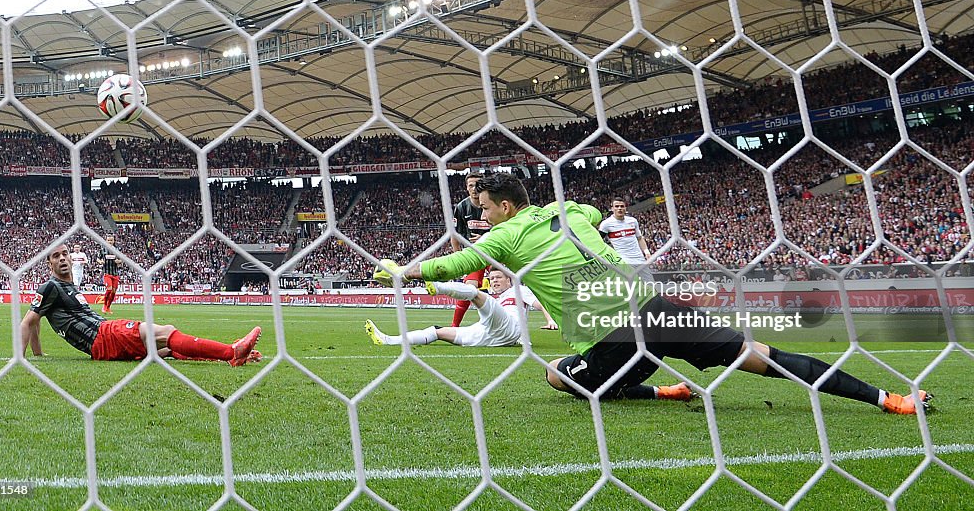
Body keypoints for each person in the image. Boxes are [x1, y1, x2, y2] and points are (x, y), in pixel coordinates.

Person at [374, 173, 930, 413]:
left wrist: (402, 273)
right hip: (659, 307)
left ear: (506, 208)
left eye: (485, 207)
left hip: (617, 330)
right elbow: (591, 211)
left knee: (557, 375)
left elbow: (461, 261)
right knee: (767, 359)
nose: (481, 215)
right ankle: (891, 399)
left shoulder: (506, 235)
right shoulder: (571, 211)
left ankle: (663, 392)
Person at [21, 244, 261, 366]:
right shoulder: (50, 286)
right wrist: (22, 358)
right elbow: (28, 322)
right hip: (103, 336)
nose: (62, 258)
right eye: (56, 256)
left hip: (103, 340)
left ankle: (231, 355)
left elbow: (36, 321)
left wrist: (38, 353)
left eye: (65, 254)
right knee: (164, 332)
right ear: (49, 263)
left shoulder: (68, 288)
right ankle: (232, 352)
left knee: (166, 349)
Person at [364, 269, 569, 348]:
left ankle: (438, 285)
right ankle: (388, 340)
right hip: (488, 335)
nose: (494, 281)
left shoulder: (519, 290)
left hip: (508, 328)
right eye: (492, 278)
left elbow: (540, 304)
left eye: (498, 278)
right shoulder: (496, 298)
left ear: (510, 279)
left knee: (476, 293)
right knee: (438, 331)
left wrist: (549, 320)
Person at [449, 172, 493, 327]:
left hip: (496, 253)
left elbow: (505, 229)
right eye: (471, 185)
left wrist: (486, 238)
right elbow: (454, 236)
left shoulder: (494, 203)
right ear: (466, 188)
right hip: (475, 256)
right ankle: (454, 326)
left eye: (477, 185)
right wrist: (459, 260)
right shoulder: (462, 207)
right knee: (468, 290)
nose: (474, 189)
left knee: (504, 288)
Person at [598, 197, 652, 281]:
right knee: (631, 286)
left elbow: (639, 238)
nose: (619, 208)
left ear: (625, 208)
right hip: (623, 261)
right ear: (612, 208)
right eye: (617, 206)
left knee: (650, 285)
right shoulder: (606, 224)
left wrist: (646, 252)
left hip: (639, 259)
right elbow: (598, 241)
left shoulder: (632, 221)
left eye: (622, 206)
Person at [96, 233, 120, 314]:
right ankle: (104, 306)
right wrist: (100, 262)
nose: (110, 242)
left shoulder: (117, 249)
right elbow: (98, 259)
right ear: (106, 241)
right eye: (108, 240)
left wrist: (119, 261)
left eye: (111, 240)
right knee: (109, 289)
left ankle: (108, 307)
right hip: (107, 273)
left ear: (113, 241)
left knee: (113, 292)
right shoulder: (103, 250)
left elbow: (122, 260)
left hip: (115, 274)